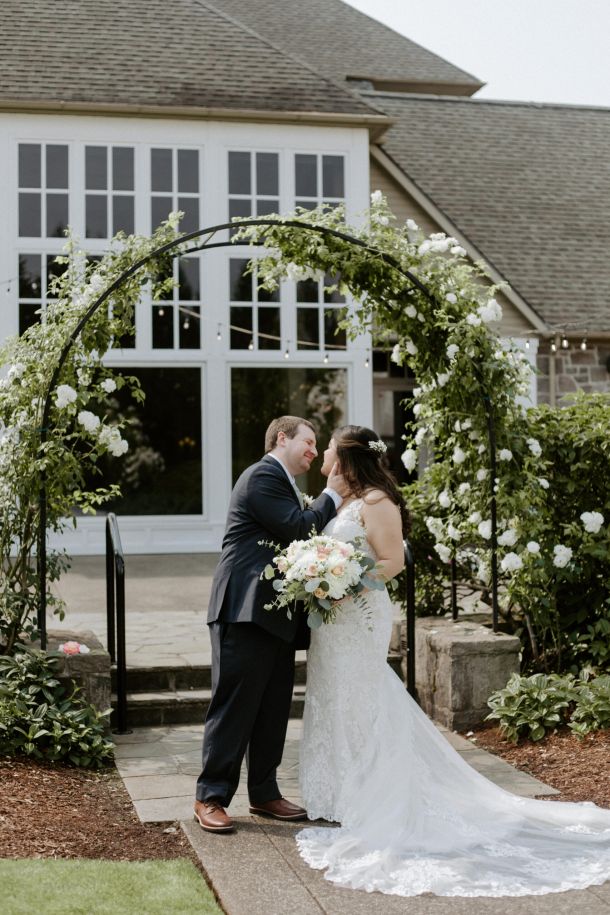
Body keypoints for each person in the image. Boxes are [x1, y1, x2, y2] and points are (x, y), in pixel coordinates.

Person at [297, 424, 610, 898]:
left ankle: (370, 792)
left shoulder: (378, 502)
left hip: (358, 613)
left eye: (330, 450)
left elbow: (391, 562)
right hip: (331, 620)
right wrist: (319, 577)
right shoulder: (337, 500)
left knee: (362, 693)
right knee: (332, 694)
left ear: (346, 459)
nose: (322, 455)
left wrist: (342, 580)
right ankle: (337, 791)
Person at [194, 415, 347, 833]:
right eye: (309, 442)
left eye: (318, 445)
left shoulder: (287, 484)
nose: (315, 452)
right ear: (282, 438)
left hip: (276, 614)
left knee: (272, 708)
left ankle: (264, 793)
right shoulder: (262, 476)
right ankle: (210, 796)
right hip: (243, 610)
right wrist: (332, 495)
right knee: (234, 707)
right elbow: (299, 528)